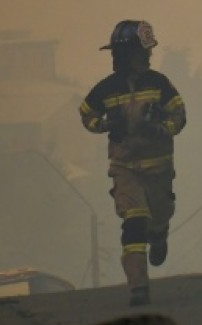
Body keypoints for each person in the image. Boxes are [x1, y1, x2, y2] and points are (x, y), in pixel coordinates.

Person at [79, 20, 186, 307]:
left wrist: (162, 128)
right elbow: (85, 113)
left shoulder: (159, 84)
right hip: (125, 169)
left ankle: (160, 233)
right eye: (142, 53)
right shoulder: (105, 89)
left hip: (158, 168)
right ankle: (138, 286)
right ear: (125, 56)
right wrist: (103, 125)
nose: (147, 57)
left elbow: (179, 114)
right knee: (134, 223)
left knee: (160, 213)